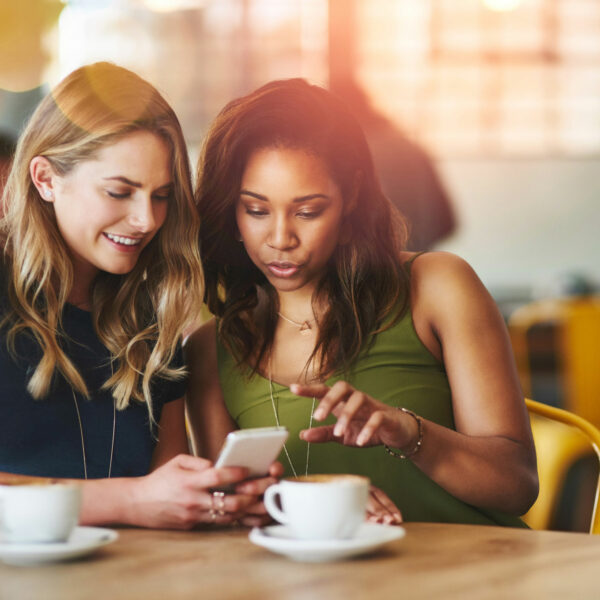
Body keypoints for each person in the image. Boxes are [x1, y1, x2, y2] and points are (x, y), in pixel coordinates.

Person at [186, 78, 539, 527]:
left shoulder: (437, 287)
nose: (280, 239)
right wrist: (299, 501)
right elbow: (231, 516)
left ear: (350, 196)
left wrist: (409, 433)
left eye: (308, 211)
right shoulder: (212, 350)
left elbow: (517, 485)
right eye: (256, 210)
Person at [0, 62, 277, 529]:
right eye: (119, 191)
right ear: (46, 179)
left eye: (161, 195)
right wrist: (128, 501)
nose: (146, 220)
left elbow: (162, 489)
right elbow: (142, 498)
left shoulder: (152, 315)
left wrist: (211, 499)